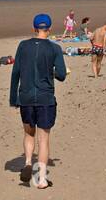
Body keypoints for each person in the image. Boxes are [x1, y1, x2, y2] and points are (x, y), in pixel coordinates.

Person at [9, 13, 68, 189]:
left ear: (35, 28)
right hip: (45, 97)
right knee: (44, 139)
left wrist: (13, 98)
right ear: (49, 29)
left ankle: (28, 162)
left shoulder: (23, 46)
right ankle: (41, 178)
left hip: (25, 96)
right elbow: (62, 75)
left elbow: (15, 73)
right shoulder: (54, 48)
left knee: (29, 133)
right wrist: (52, 72)